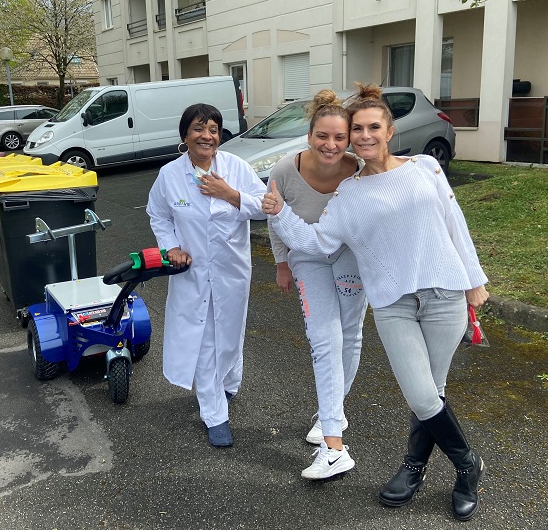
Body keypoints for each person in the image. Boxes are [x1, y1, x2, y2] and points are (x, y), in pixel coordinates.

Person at [262, 83, 489, 521]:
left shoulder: (425, 167)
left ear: (389, 130)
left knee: (433, 392)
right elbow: (317, 243)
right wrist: (279, 214)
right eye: (357, 129)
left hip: (443, 293)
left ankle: (414, 466)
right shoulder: (348, 193)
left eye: (372, 127)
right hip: (392, 302)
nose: (364, 136)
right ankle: (468, 465)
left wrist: (473, 281)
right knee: (422, 396)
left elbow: (453, 223)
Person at [146, 103, 267, 448]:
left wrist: (229, 194)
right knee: (205, 339)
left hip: (231, 271)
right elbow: (158, 214)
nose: (207, 136)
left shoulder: (236, 168)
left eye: (213, 129)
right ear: (185, 135)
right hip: (192, 271)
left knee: (230, 330)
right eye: (199, 129)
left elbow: (265, 205)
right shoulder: (170, 174)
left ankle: (230, 382)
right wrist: (170, 247)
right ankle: (215, 413)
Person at [266, 90, 368, 480]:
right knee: (325, 339)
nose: (330, 145)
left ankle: (331, 414)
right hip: (306, 259)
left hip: (348, 258)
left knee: (350, 334)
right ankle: (333, 443)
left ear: (348, 140)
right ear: (309, 135)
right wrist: (281, 264)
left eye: (339, 138)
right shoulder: (284, 170)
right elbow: (274, 217)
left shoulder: (359, 170)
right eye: (322, 136)